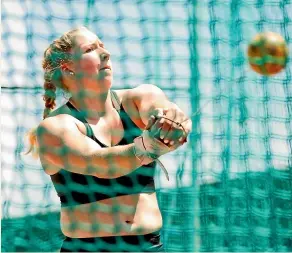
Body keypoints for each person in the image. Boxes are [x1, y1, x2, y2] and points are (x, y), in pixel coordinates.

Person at [26, 26, 192, 252]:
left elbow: (170, 114)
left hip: (149, 246)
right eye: (90, 49)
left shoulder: (140, 97)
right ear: (68, 68)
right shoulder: (54, 128)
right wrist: (148, 145)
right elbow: (101, 163)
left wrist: (175, 124)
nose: (106, 53)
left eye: (102, 45)